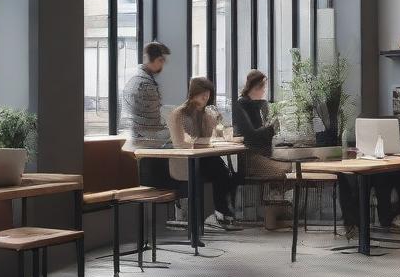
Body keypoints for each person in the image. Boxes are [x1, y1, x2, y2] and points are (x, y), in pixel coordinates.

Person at [167, 76, 240, 231]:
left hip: (205, 159)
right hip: (184, 162)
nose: (205, 96)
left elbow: (215, 136)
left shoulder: (207, 114)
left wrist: (215, 124)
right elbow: (181, 142)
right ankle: (220, 214)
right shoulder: (178, 114)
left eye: (208, 92)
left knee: (229, 174)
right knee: (221, 171)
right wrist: (206, 141)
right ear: (193, 92)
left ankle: (221, 213)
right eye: (202, 92)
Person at [233, 70, 288, 230]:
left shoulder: (259, 105)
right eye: (262, 87)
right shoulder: (242, 105)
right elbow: (250, 135)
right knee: (286, 171)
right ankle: (274, 213)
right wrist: (271, 128)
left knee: (289, 167)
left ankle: (274, 213)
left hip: (263, 154)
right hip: (252, 157)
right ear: (255, 87)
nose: (264, 91)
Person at [121, 40, 172, 189]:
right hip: (145, 142)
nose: (162, 65)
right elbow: (154, 119)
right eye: (162, 61)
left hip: (135, 140)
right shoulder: (145, 84)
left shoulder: (135, 80)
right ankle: (181, 205)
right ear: (158, 60)